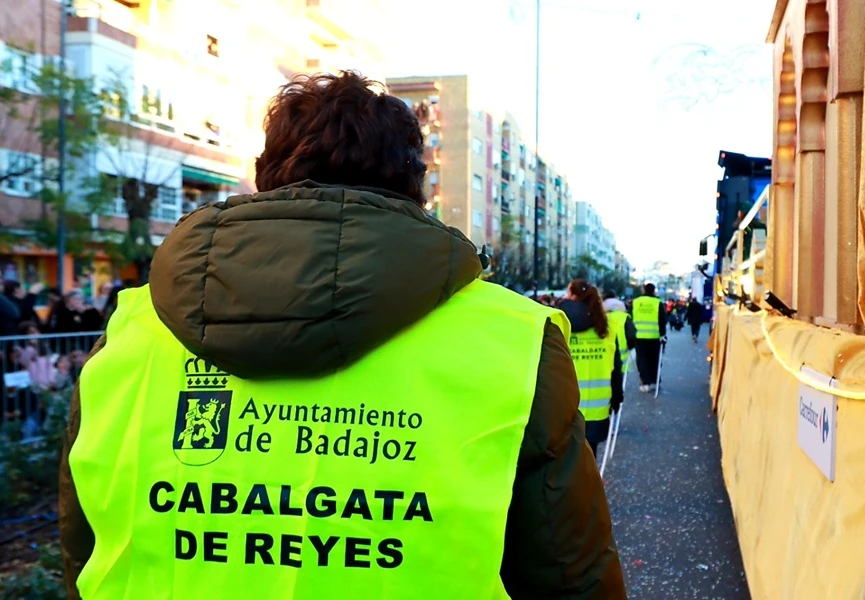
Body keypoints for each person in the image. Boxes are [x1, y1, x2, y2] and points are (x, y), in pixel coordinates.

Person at [59, 71, 624, 599]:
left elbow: (86, 545)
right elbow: (569, 569)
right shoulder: (512, 340)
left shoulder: (134, 333)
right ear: (415, 187)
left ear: (265, 178)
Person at [560, 280, 619, 456]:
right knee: (589, 457)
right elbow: (616, 368)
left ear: (572, 296)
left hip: (564, 407)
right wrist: (617, 396)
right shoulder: (606, 329)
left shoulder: (559, 325)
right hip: (598, 406)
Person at [631, 283, 667, 393]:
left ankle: (645, 382)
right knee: (654, 360)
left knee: (641, 360)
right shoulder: (657, 303)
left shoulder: (636, 302)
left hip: (639, 336)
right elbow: (662, 320)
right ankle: (654, 381)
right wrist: (663, 335)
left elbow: (630, 317)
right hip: (654, 337)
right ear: (654, 291)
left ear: (643, 290)